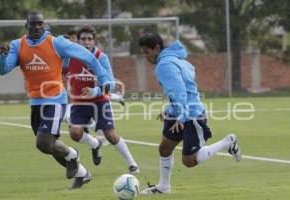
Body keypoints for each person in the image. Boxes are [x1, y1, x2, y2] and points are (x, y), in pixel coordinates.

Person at [0, 10, 110, 189]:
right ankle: (82, 173)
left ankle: (73, 154)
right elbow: (3, 69)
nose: (35, 27)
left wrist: (103, 79)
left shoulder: (57, 43)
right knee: (47, 146)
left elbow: (88, 56)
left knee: (43, 141)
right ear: (26, 26)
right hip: (36, 102)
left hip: (55, 99)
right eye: (32, 24)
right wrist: (2, 57)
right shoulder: (17, 45)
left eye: (39, 24)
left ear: (43, 25)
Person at [138, 32, 241, 194]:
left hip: (190, 114)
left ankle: (228, 141)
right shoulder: (176, 60)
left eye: (147, 52)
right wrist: (170, 110)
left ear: (157, 48)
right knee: (165, 148)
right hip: (178, 111)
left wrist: (180, 115)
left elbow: (180, 89)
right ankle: (164, 187)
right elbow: (186, 83)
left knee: (189, 161)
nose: (145, 57)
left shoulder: (165, 65)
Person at [63, 25, 139, 173]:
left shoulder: (101, 57)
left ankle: (132, 163)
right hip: (79, 102)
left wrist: (95, 91)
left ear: (94, 41)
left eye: (89, 39)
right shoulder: (70, 56)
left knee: (110, 135)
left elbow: (111, 84)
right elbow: (62, 69)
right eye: (83, 39)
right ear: (78, 41)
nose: (86, 42)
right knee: (75, 133)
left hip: (99, 101)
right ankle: (94, 143)